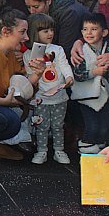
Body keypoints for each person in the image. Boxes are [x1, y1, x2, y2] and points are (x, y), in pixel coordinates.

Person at [0, 6, 45, 161]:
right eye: (22, 32)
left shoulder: (9, 54)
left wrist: (37, 74)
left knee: (12, 120)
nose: (26, 38)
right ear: (5, 31)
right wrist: (5, 102)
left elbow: (21, 84)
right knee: (9, 120)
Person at [24, 14, 74, 164]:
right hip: (40, 97)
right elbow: (30, 75)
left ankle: (59, 150)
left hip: (59, 95)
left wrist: (69, 77)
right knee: (41, 125)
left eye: (52, 30)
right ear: (35, 32)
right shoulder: (28, 54)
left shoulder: (57, 50)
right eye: (45, 31)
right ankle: (41, 151)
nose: (50, 34)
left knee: (58, 125)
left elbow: (64, 65)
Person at [72, 13, 109, 154]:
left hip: (106, 95)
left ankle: (99, 156)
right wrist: (94, 72)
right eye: (85, 29)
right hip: (87, 97)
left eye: (94, 29)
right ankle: (86, 153)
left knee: (104, 128)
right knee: (92, 127)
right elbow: (78, 74)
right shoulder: (81, 51)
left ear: (104, 32)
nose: (89, 33)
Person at [23, 0, 87, 57]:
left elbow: (65, 49)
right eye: (28, 7)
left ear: (48, 0)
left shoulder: (69, 13)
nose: (32, 11)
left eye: (36, 7)